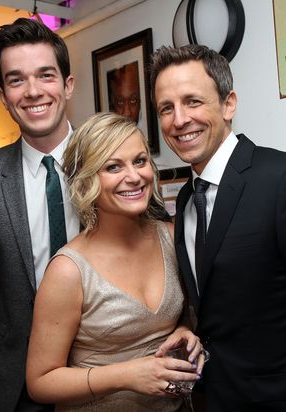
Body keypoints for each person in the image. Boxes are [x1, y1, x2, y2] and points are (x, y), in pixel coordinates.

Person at [26, 112, 206, 411]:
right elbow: (40, 382)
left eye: (140, 161)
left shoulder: (171, 239)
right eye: (112, 166)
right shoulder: (69, 270)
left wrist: (184, 332)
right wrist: (126, 375)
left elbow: (184, 316)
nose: (134, 176)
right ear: (85, 181)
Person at [150, 44, 286, 412]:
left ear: (229, 104)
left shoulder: (278, 178)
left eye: (193, 101)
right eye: (166, 108)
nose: (179, 120)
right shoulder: (186, 200)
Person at [0, 18, 79, 412]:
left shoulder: (113, 161)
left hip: (109, 370)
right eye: (16, 80)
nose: (33, 92)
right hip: (20, 384)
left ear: (68, 84)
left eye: (45, 75)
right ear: (2, 96)